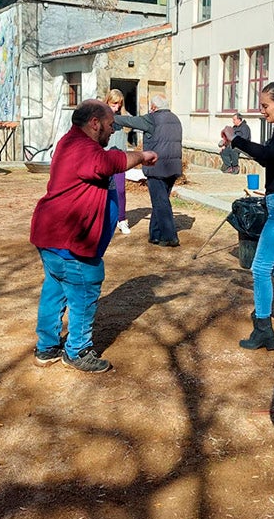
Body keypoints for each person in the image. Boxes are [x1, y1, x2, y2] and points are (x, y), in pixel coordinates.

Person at [30, 99, 157, 373]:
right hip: (70, 241)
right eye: (111, 125)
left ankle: (47, 347)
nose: (113, 131)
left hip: (54, 237)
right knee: (84, 290)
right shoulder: (81, 147)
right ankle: (77, 351)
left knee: (55, 290)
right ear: (95, 123)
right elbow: (110, 162)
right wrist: (142, 156)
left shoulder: (72, 142)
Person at [222, 82, 274, 350]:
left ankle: (264, 329)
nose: (262, 110)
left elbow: (267, 157)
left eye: (266, 105)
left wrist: (236, 139)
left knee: (260, 269)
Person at [113, 93, 183, 247]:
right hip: (174, 168)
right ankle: (155, 235)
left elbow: (130, 121)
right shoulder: (176, 119)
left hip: (157, 167)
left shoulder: (151, 119)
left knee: (160, 202)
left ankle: (170, 236)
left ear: (153, 107)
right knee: (160, 201)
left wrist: (111, 117)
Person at [105, 89, 130, 235]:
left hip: (120, 160)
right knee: (103, 191)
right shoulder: (99, 118)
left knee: (120, 190)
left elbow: (137, 123)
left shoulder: (124, 118)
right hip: (104, 158)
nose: (116, 108)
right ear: (107, 102)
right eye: (114, 104)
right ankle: (104, 219)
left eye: (119, 105)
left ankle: (122, 220)